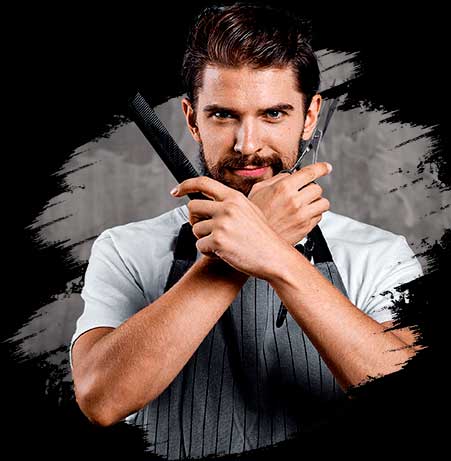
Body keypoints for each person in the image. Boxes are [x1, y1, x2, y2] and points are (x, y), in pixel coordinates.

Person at [70, 3, 423, 458]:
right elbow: (101, 400)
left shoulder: (378, 254)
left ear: (309, 116)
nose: (247, 144)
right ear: (192, 119)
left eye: (273, 114)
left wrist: (272, 253)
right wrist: (230, 258)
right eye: (223, 115)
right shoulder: (127, 250)